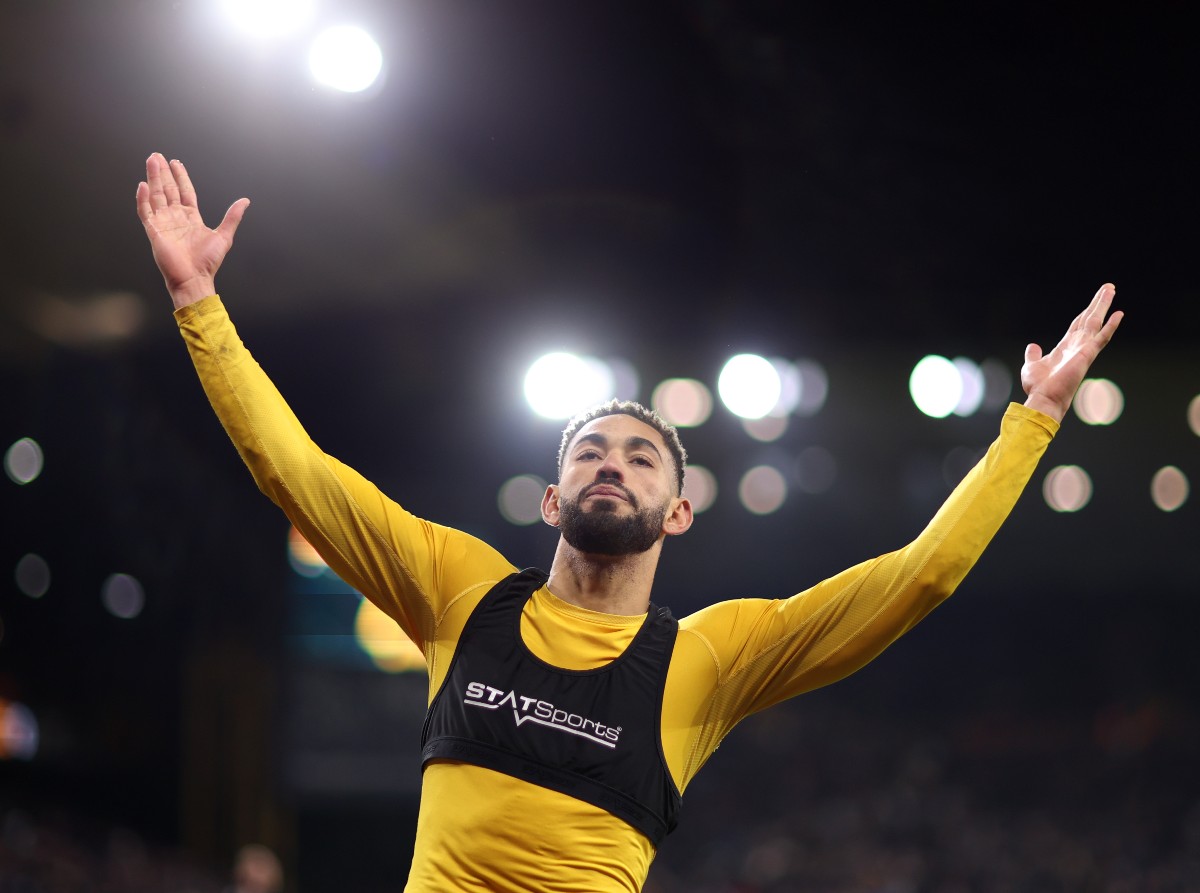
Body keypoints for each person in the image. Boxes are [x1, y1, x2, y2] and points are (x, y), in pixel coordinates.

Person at [136, 152, 1122, 892]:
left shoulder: (711, 657)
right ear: (555, 500)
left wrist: (1032, 420)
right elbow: (294, 470)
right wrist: (198, 302)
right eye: (589, 453)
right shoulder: (460, 589)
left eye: (641, 455)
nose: (613, 460)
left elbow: (921, 576)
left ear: (678, 511)